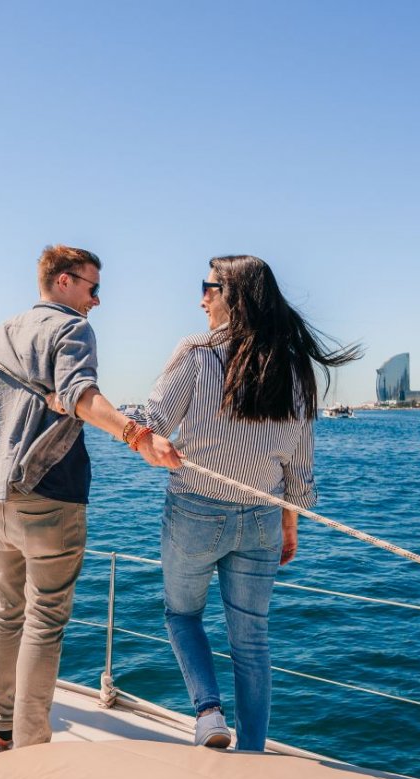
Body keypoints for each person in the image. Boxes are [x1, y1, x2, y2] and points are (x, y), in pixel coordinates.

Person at [0, 244, 181, 749]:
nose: (97, 300)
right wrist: (138, 437)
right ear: (63, 282)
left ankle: (1, 727)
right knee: (44, 620)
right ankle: (31, 744)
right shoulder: (72, 328)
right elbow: (82, 394)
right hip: (50, 495)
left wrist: (18, 431)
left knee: (5, 612)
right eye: (92, 287)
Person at [138, 255, 362, 751]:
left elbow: (153, 421)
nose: (201, 298)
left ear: (232, 295)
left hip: (196, 508)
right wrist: (290, 525)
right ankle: (254, 752)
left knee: (181, 615)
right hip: (263, 517)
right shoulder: (293, 366)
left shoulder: (197, 351)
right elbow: (298, 465)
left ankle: (209, 712)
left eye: (208, 287)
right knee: (252, 641)